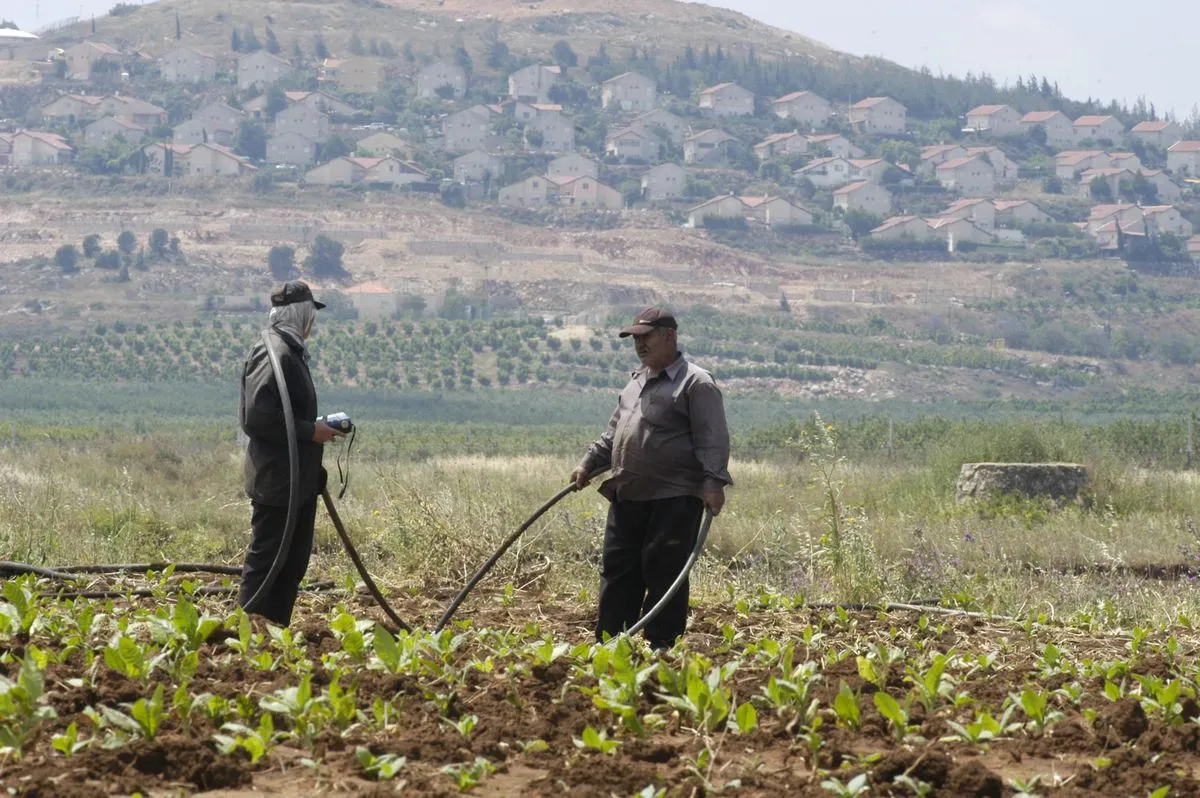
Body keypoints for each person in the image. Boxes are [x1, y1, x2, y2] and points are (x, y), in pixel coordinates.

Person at [571, 306, 732, 650]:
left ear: (669, 336)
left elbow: (712, 437)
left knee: (664, 570)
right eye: (635, 339)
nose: (639, 345)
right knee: (618, 570)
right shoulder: (636, 382)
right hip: (627, 493)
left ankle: (661, 646)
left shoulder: (696, 382)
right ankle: (611, 643)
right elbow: (614, 434)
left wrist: (713, 481)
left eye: (646, 337)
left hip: (674, 496)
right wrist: (588, 463)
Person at [238, 280, 344, 627]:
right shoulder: (274, 353)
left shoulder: (289, 350)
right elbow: (257, 418)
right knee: (267, 561)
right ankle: (247, 633)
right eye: (311, 315)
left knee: (292, 562)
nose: (313, 322)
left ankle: (275, 630)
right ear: (302, 315)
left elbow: (284, 413)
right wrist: (310, 431)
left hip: (297, 479)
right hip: (278, 480)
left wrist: (313, 429)